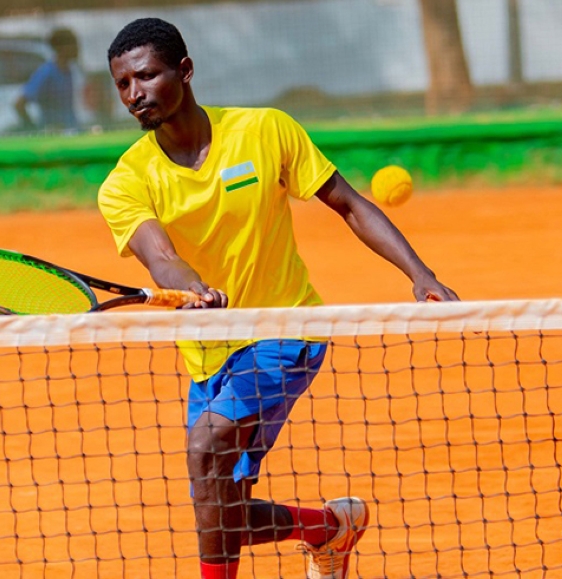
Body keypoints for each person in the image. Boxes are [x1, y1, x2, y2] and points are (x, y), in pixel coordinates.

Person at [97, 17, 459, 579]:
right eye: (122, 84)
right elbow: (160, 257)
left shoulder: (265, 131)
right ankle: (328, 529)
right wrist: (189, 287)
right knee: (221, 514)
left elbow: (350, 204)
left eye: (147, 76)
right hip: (209, 354)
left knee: (206, 446)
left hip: (286, 331)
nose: (134, 94)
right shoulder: (126, 182)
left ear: (185, 71)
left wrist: (420, 273)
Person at [15, 27, 80, 132]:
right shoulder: (47, 73)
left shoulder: (70, 71)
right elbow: (19, 104)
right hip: (55, 136)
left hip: (72, 132)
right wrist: (34, 129)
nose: (78, 48)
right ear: (62, 48)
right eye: (74, 44)